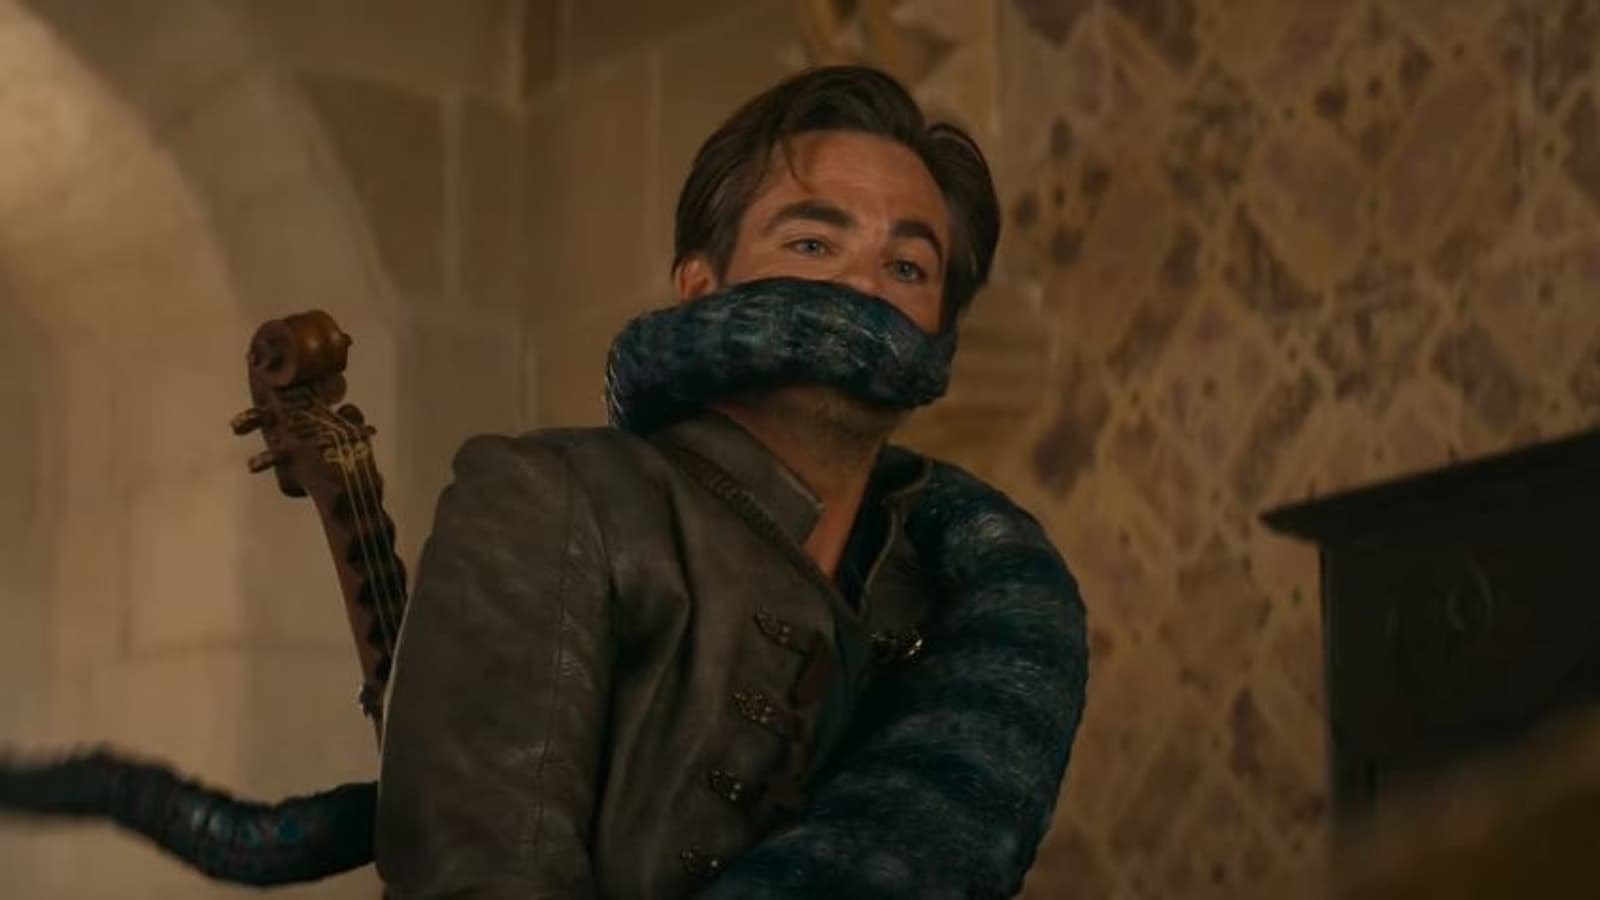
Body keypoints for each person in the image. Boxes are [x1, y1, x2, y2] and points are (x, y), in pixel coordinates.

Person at [0, 65, 1087, 900]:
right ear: (701, 288)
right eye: (812, 243)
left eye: (908, 266)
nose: (862, 289)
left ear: (940, 332)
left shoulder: (961, 593)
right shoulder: (555, 499)